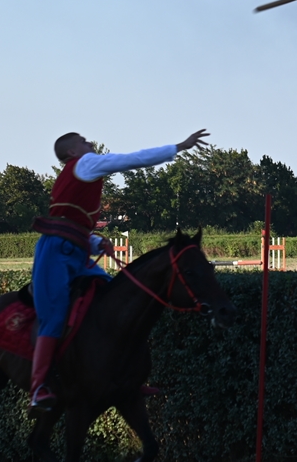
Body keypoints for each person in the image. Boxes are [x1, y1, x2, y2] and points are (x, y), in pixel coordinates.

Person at [28, 127, 209, 413]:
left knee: (113, 299)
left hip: (73, 252)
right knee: (54, 317)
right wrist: (178, 147)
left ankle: (123, 376)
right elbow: (132, 159)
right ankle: (39, 387)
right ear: (73, 152)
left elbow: (71, 228)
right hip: (55, 255)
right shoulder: (86, 164)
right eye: (83, 141)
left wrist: (95, 242)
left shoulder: (76, 174)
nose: (89, 142)